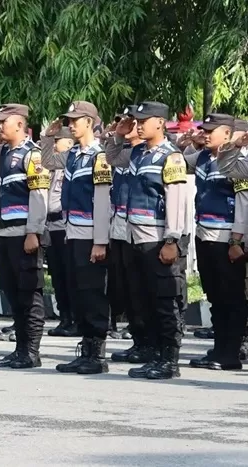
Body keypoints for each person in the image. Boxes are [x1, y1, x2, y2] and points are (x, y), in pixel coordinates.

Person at [106, 101, 187, 379]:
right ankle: (152, 352)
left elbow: (176, 200)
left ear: (160, 122)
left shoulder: (171, 157)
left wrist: (172, 239)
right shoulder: (137, 152)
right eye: (136, 120)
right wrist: (119, 134)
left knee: (164, 301)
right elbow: (112, 158)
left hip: (157, 238)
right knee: (142, 299)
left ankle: (169, 360)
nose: (138, 125)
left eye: (144, 120)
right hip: (133, 238)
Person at [0, 104, 49, 369]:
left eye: (2, 122)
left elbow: (39, 196)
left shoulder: (33, 155)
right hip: (6, 231)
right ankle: (19, 348)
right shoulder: (5, 152)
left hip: (24, 232)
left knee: (29, 293)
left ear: (19, 125)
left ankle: (31, 351)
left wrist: (33, 231)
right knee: (13, 291)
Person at [41, 101, 112, 375]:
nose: (70, 125)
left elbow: (103, 201)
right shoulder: (73, 155)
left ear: (90, 123)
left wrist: (100, 241)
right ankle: (86, 347)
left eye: (75, 120)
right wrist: (49, 136)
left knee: (93, 293)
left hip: (90, 234)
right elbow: (47, 160)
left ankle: (97, 353)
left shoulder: (100, 156)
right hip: (72, 232)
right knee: (78, 291)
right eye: (69, 121)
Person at [186, 114, 248, 370]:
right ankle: (219, 348)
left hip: (226, 238)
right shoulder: (202, 157)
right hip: (204, 235)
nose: (206, 134)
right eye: (204, 129)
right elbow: (179, 159)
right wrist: (194, 143)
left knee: (231, 297)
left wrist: (237, 240)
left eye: (212, 130)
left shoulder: (238, 163)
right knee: (215, 296)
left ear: (227, 133)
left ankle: (231, 353)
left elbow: (243, 203)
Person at [104, 107, 148, 360]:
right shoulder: (127, 154)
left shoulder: (147, 155)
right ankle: (138, 340)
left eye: (132, 122)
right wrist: (118, 136)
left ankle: (150, 342)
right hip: (119, 225)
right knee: (126, 287)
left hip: (142, 228)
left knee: (143, 288)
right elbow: (110, 157)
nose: (128, 125)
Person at [45, 127, 76, 337]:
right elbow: (46, 158)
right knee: (57, 276)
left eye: (58, 140)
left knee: (70, 275)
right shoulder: (52, 168)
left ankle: (75, 318)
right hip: (51, 226)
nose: (55, 144)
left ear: (70, 144)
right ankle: (65, 318)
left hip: (66, 226)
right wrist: (46, 137)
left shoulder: (70, 165)